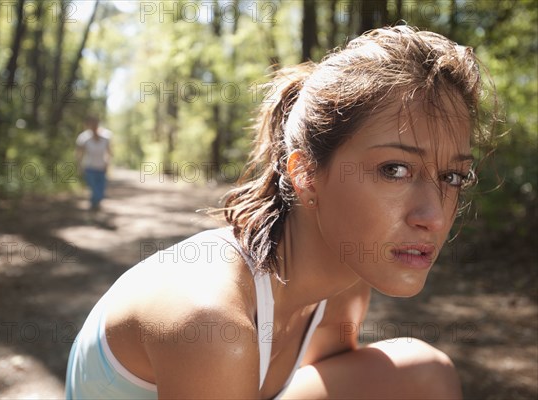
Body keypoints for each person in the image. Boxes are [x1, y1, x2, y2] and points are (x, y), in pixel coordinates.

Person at [66, 26, 494, 399]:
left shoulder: (345, 290)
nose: (434, 217)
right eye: (394, 170)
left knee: (423, 375)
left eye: (452, 177)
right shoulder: (209, 320)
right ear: (307, 173)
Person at [75, 116, 112, 211]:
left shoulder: (106, 136)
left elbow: (109, 152)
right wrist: (79, 166)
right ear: (88, 125)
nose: (94, 125)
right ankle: (94, 205)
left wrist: (107, 163)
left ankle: (95, 204)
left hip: (101, 167)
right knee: (94, 188)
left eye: (95, 123)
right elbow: (79, 153)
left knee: (100, 190)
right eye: (91, 123)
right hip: (89, 167)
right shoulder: (83, 138)